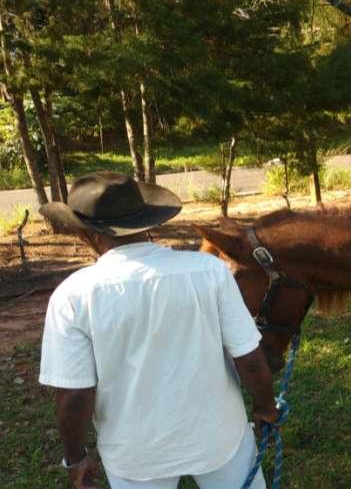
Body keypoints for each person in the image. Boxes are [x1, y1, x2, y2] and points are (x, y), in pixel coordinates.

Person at [37, 172, 277, 489]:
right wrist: (265, 408)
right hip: (220, 436)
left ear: (88, 234)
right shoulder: (208, 271)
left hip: (135, 455)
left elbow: (74, 393)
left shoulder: (73, 296)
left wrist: (76, 457)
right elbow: (248, 356)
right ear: (146, 222)